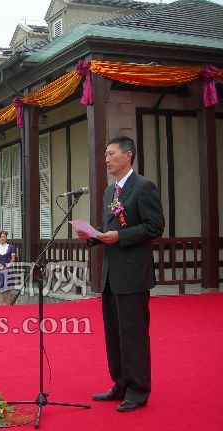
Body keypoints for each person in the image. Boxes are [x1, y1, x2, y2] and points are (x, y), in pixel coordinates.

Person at [76, 136, 164, 413]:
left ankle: (138, 389)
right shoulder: (109, 192)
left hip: (133, 274)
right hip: (111, 274)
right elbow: (109, 227)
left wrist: (120, 236)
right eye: (105, 154)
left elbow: (155, 226)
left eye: (111, 153)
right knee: (114, 334)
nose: (106, 159)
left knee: (133, 334)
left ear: (128, 155)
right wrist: (93, 236)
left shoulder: (143, 187)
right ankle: (120, 383)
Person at [0, 230, 16, 305]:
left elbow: (13, 259)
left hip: (8, 269)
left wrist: (6, 267)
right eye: (0, 237)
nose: (2, 238)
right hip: (0, 270)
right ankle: (1, 307)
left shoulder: (11, 247)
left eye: (3, 236)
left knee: (8, 289)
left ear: (6, 237)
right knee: (0, 289)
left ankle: (8, 307)